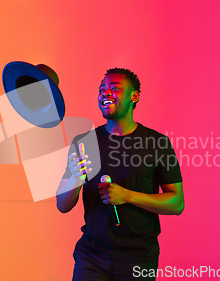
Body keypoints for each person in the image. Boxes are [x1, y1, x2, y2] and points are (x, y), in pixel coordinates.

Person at [56, 68, 184, 281]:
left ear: (134, 97)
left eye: (114, 88)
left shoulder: (157, 143)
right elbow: (63, 205)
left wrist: (127, 196)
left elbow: (177, 203)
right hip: (92, 255)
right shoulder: (84, 142)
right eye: (102, 89)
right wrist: (75, 180)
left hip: (139, 258)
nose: (105, 93)